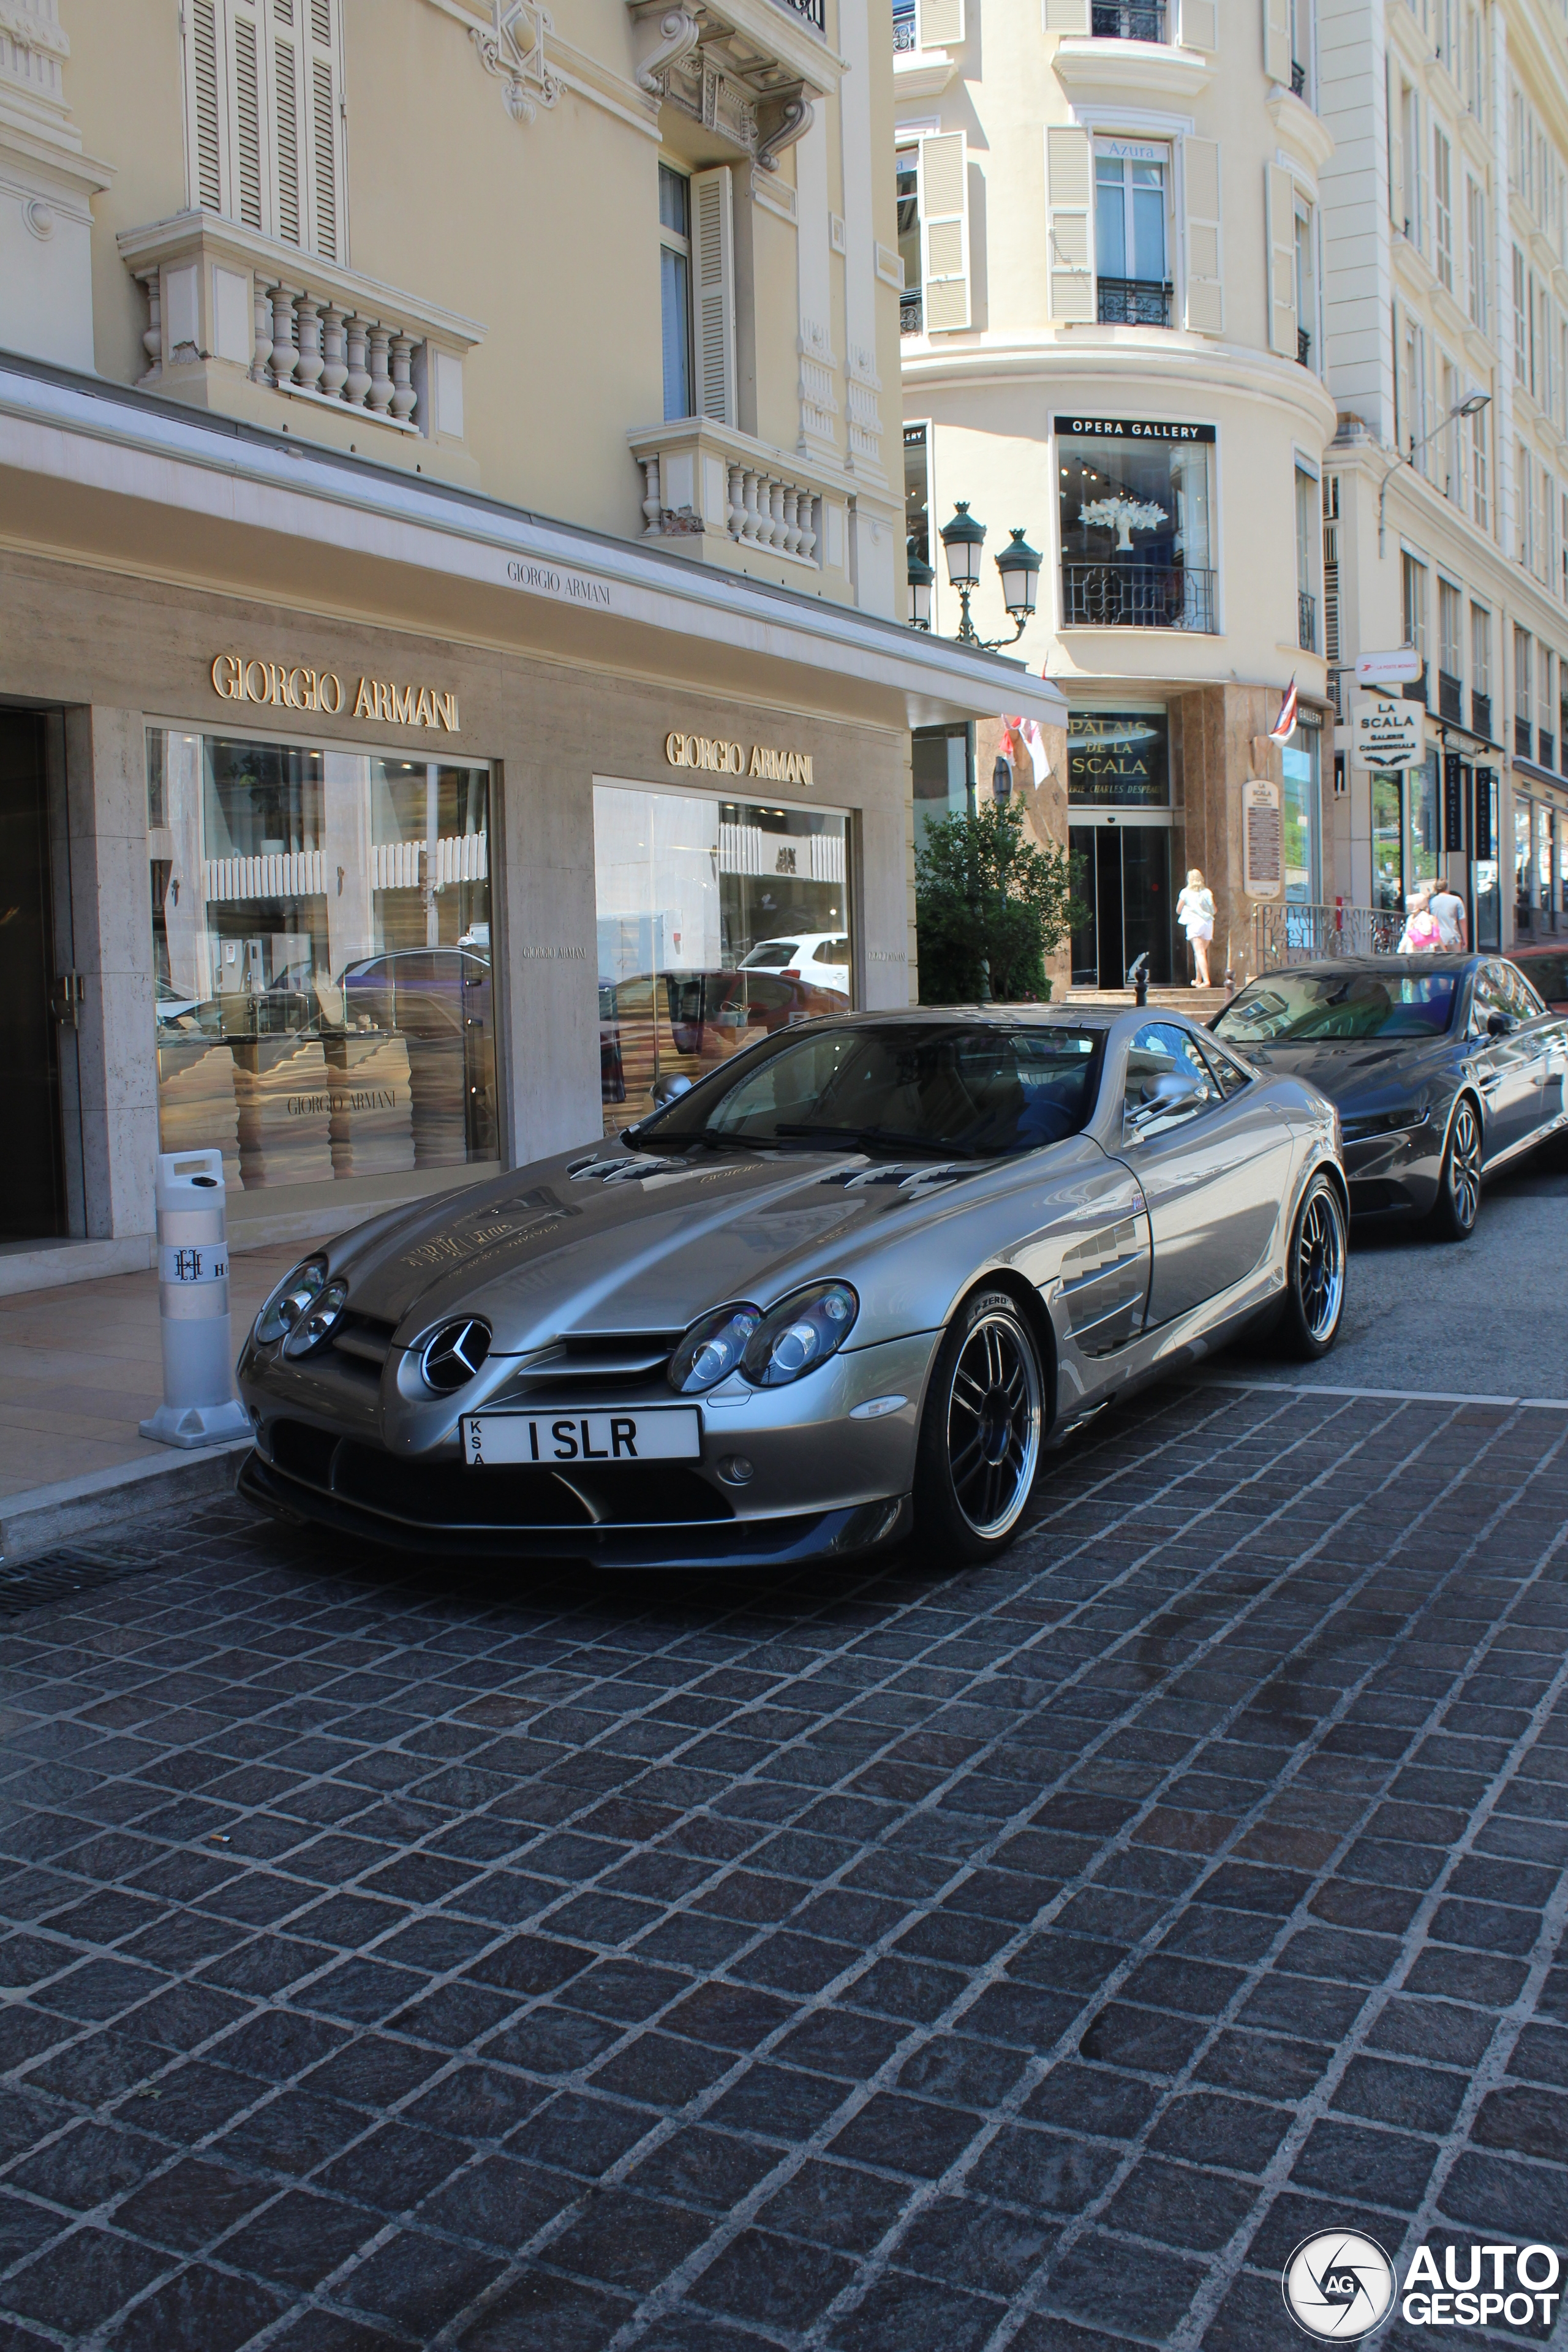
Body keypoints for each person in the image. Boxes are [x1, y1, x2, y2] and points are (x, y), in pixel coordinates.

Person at [1175, 867, 1216, 986]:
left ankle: (1206, 980)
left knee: (1200, 953)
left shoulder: (1185, 892)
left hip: (1194, 924)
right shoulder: (1207, 892)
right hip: (1208, 923)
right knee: (1200, 952)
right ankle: (1198, 979)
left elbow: (1178, 910)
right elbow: (1214, 910)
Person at [1428, 875, 1468, 951]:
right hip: (1453, 938)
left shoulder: (1432, 901)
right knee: (1455, 962)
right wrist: (1465, 938)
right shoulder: (1457, 900)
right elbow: (1462, 921)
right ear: (1447, 888)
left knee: (1440, 962)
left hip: (1438, 939)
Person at [1397, 888, 1442, 952]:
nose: (1408, 907)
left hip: (1424, 949)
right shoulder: (1410, 918)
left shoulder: (1424, 916)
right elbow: (1408, 934)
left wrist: (1416, 929)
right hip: (1412, 949)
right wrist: (1401, 948)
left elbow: (1428, 930)